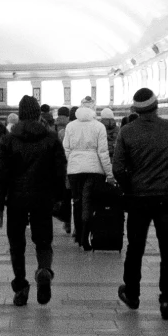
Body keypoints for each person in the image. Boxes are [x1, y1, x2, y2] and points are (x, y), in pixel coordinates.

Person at [112, 87, 168, 319]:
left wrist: (129, 187)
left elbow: (117, 168)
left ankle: (133, 294)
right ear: (157, 106)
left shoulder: (126, 131)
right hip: (166, 198)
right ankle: (167, 300)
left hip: (138, 200)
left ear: (135, 109)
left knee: (135, 248)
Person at [0, 94, 67, 306]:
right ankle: (43, 269)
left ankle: (21, 286)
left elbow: (1, 174)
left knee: (17, 244)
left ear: (21, 114)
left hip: (15, 199)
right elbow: (60, 170)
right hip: (42, 199)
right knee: (43, 241)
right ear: (38, 114)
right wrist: (59, 197)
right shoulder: (51, 138)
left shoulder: (8, 139)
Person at [61, 101, 113, 250]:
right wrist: (109, 174)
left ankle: (78, 236)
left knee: (77, 202)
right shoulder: (99, 126)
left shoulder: (71, 126)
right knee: (90, 204)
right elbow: (103, 153)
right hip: (94, 171)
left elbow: (66, 149)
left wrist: (72, 163)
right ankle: (86, 237)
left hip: (75, 171)